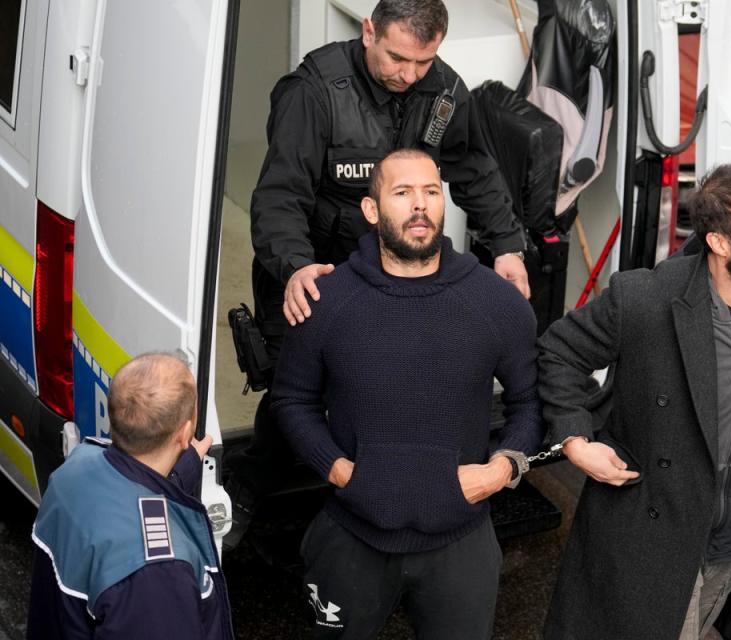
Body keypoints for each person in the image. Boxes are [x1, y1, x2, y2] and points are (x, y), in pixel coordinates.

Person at [225, 0, 530, 548]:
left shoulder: (442, 93)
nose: (409, 75)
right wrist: (295, 268)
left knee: (384, 375)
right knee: (295, 387)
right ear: (369, 31)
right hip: (310, 265)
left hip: (390, 269)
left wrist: (507, 246)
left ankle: (369, 497)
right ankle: (252, 482)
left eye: (423, 62)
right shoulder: (315, 91)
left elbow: (475, 169)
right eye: (397, 59)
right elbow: (279, 198)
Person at [270, 149, 541, 639]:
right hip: (352, 534)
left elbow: (529, 402)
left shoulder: (494, 301)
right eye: (402, 193)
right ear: (372, 210)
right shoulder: (326, 301)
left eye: (431, 192)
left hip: (462, 538)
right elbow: (291, 400)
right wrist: (339, 469)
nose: (420, 205)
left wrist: (502, 470)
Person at [540, 163, 731, 640]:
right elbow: (558, 351)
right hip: (660, 532)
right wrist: (575, 439)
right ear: (720, 243)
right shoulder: (646, 297)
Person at [27, 353, 233, 640]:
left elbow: (125, 496)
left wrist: (177, 478)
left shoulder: (76, 468)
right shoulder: (159, 573)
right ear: (186, 433)